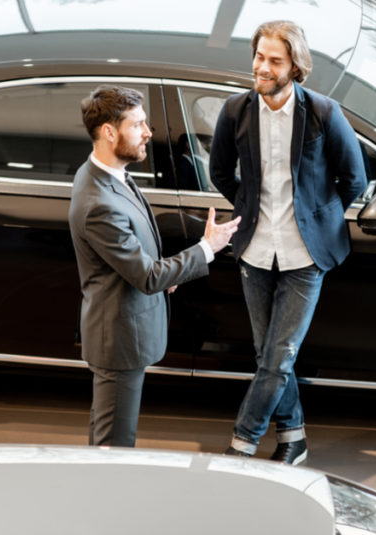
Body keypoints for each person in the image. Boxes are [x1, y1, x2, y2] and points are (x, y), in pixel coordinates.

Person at [209, 20, 367, 464]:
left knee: (277, 357)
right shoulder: (235, 111)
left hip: (305, 253)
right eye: (259, 57)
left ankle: (242, 443)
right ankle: (293, 436)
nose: (262, 67)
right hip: (255, 250)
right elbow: (220, 172)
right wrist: (249, 205)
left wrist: (318, 214)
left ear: (295, 66)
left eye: (274, 60)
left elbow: (355, 179)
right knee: (271, 355)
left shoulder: (323, 113)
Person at [70, 85, 240, 447]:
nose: (149, 132)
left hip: (121, 328)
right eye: (139, 124)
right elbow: (146, 276)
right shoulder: (99, 202)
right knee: (114, 443)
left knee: (110, 431)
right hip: (118, 340)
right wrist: (207, 248)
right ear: (109, 132)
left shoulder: (105, 174)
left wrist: (163, 274)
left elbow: (136, 261)